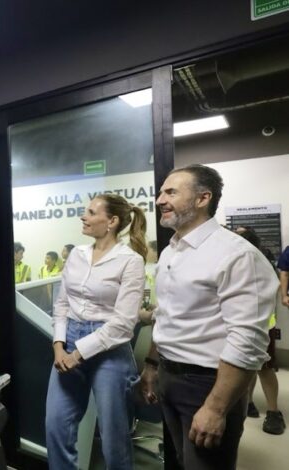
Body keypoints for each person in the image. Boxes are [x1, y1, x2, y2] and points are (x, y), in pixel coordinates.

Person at [139, 164, 278, 470]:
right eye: (161, 192)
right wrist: (151, 365)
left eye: (171, 192)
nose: (160, 199)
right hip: (168, 375)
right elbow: (167, 315)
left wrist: (216, 408)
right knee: (180, 460)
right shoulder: (171, 251)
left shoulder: (236, 254)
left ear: (203, 199)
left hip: (208, 384)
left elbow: (248, 341)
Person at [45, 193, 147, 470]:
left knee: (114, 439)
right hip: (68, 343)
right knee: (56, 426)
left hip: (110, 350)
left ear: (111, 221)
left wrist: (78, 353)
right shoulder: (77, 255)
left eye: (91, 212)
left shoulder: (131, 261)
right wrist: (59, 345)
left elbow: (124, 323)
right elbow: (62, 304)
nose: (83, 216)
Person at [238, 229, 285, 435]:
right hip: (237, 325)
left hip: (261, 326)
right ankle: (248, 403)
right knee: (244, 368)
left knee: (264, 369)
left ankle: (274, 412)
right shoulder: (235, 261)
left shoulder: (259, 262)